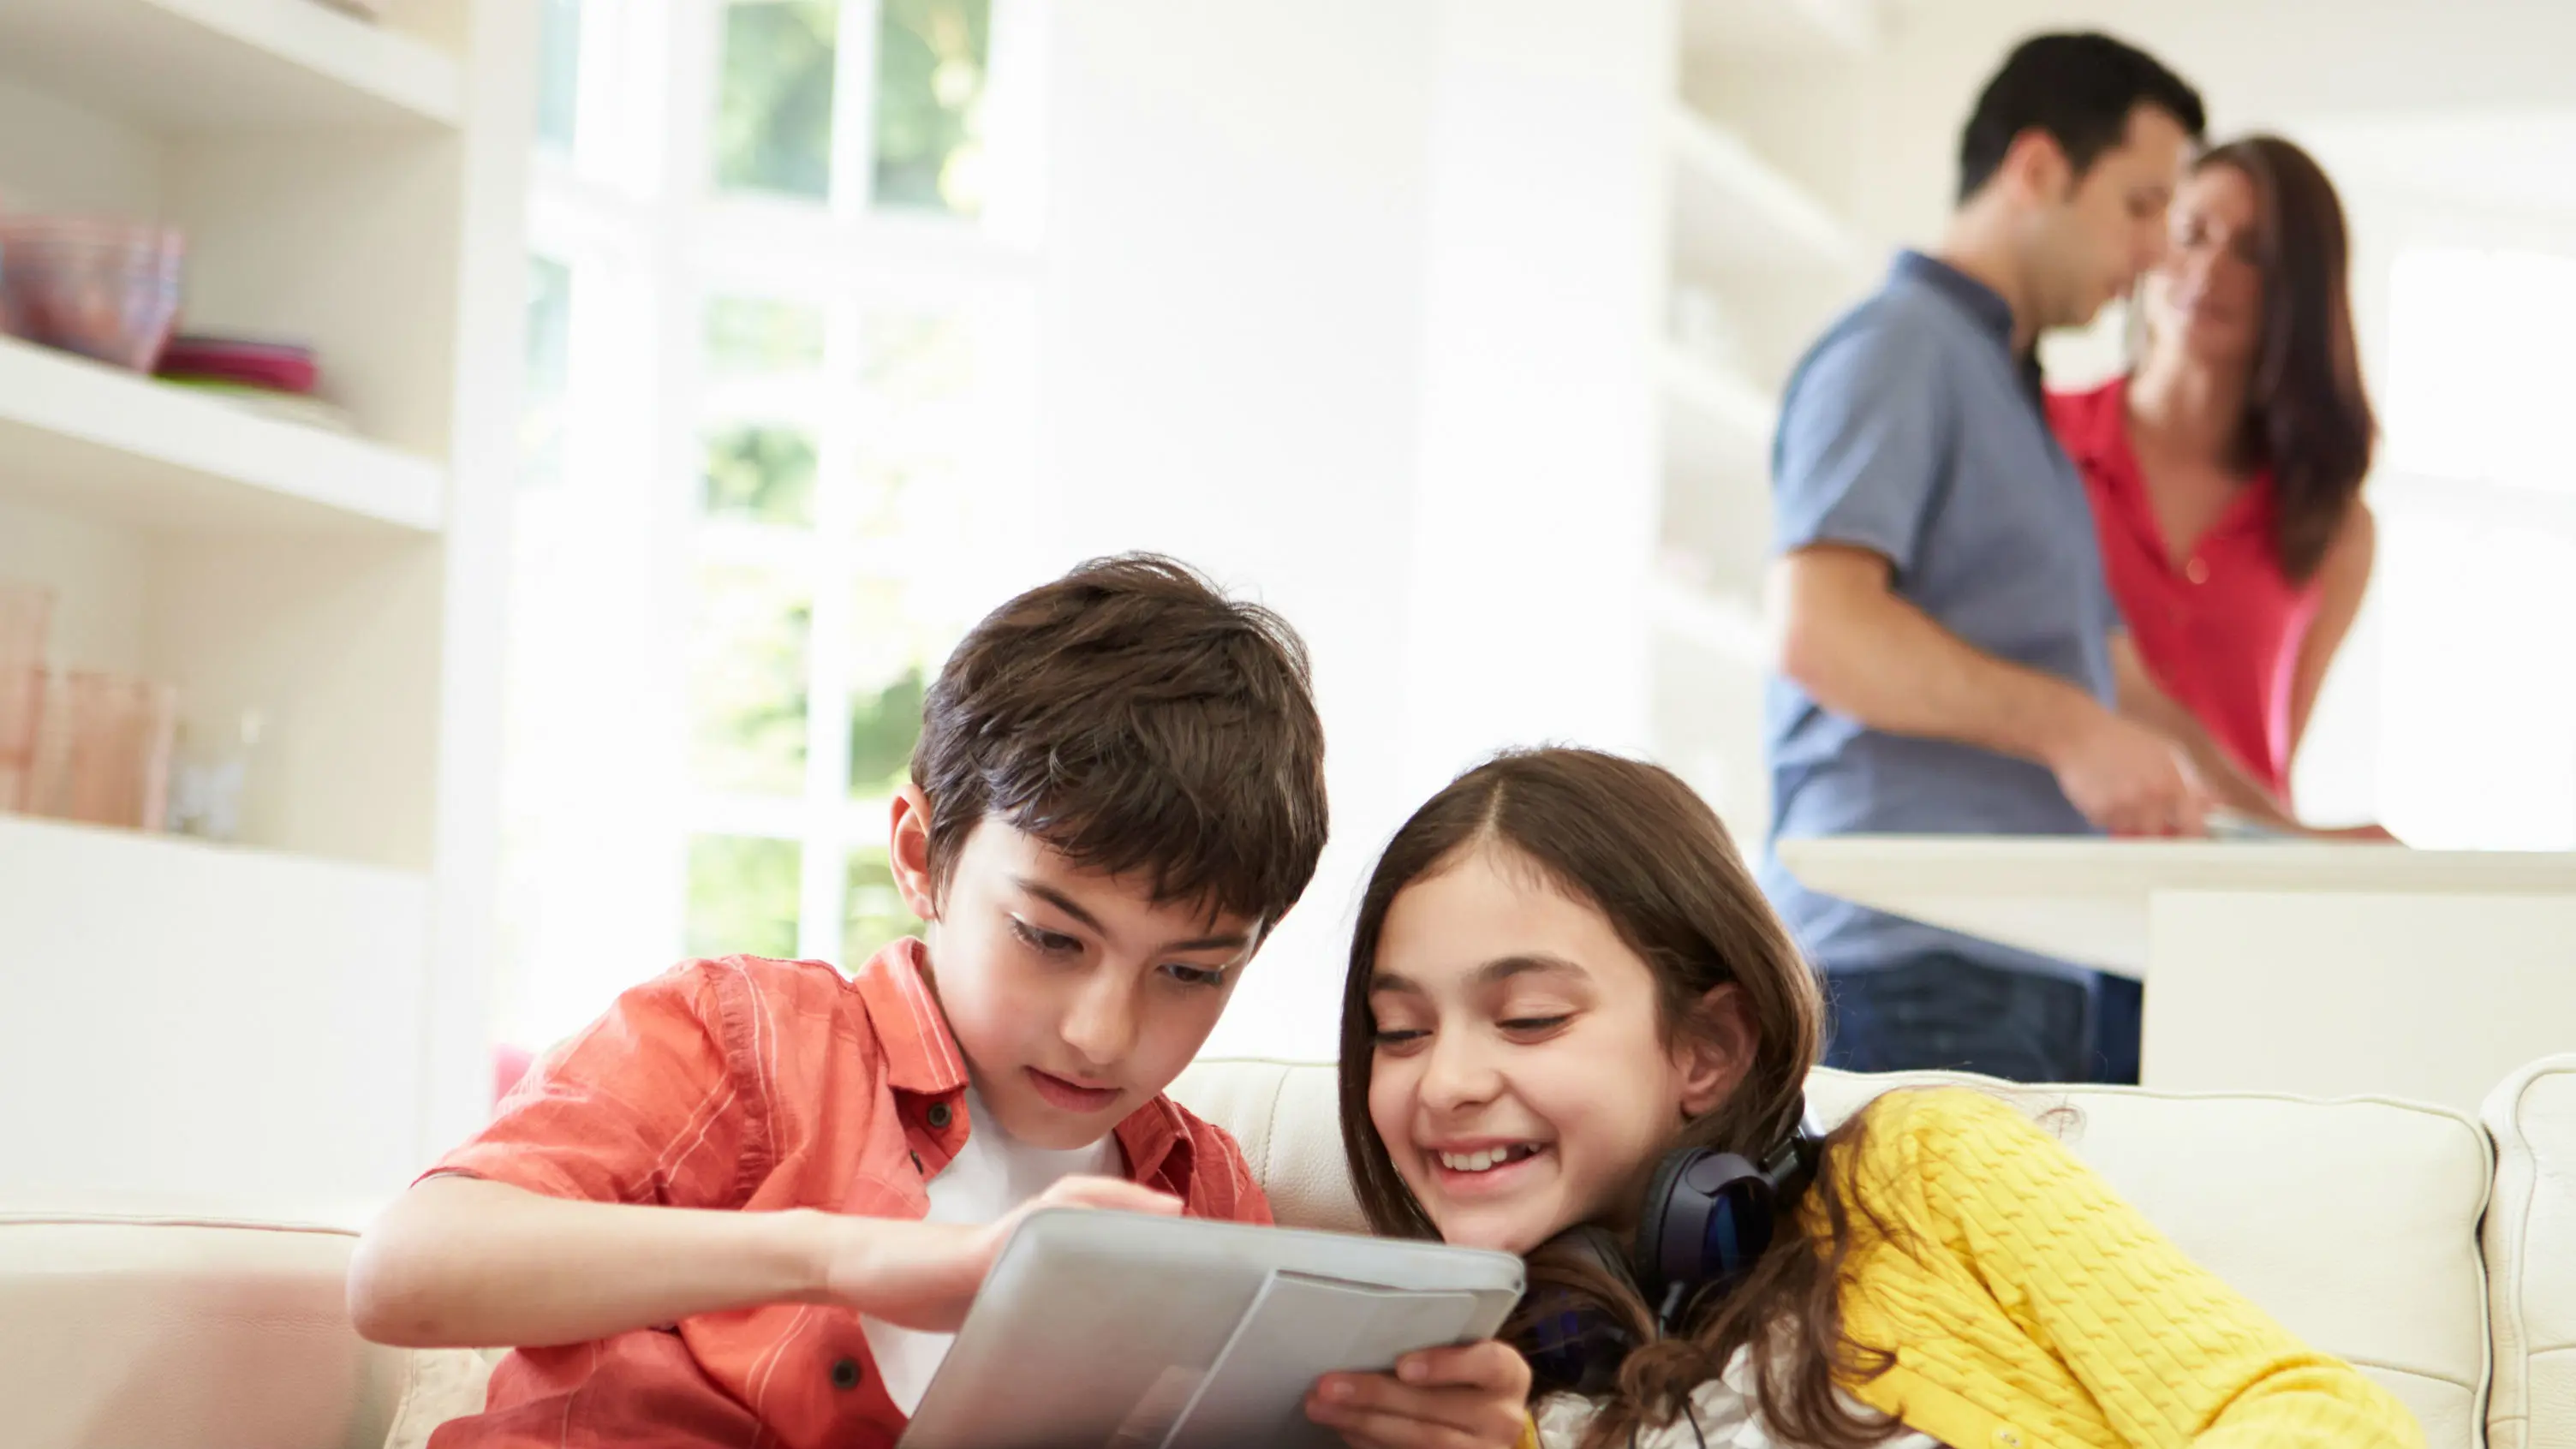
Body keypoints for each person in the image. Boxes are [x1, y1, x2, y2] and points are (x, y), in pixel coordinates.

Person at [349, 555, 1523, 1449]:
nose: (1104, 1031)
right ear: (921, 853)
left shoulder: (1202, 1198)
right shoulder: (742, 1038)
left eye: (1191, 973)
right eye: (1050, 938)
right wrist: (843, 1261)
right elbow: (406, 1270)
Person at [1335, 746, 2421, 1449]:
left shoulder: (1919, 1169)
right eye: (1400, 1033)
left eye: (1528, 1018)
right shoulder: (1440, 1392)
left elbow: (2318, 1419)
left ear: (1705, 1047)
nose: (1448, 1081)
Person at [1765, 33, 2224, 1084]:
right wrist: (2070, 733)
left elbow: (2113, 684)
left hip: (2022, 964)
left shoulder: (2008, 400)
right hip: (1909, 960)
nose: (2159, 251)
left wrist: (2301, 839)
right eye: (2141, 205)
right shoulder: (1895, 348)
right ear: (2033, 170)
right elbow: (1822, 627)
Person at [2049, 135, 2391, 837]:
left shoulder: (2335, 526)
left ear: (2298, 285)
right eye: (2192, 233)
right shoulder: (2041, 440)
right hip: (2049, 887)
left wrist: (2302, 846)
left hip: (2224, 892)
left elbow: (2266, 763)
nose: (2210, 266)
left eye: (2253, 252)